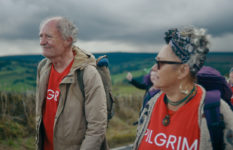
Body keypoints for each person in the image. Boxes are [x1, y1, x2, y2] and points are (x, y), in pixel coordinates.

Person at [133, 26, 233, 150]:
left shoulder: (216, 112)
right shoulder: (151, 103)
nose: (153, 68)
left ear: (183, 70)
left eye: (160, 62)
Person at [35, 17, 107, 150]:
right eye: (41, 36)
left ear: (68, 40)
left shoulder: (87, 74)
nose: (42, 42)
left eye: (48, 37)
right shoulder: (43, 68)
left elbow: (97, 127)